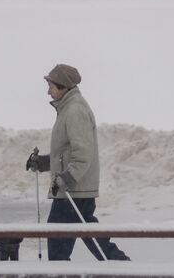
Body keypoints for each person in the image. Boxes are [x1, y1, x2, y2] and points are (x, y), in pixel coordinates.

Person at [24, 63, 130, 261]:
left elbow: (83, 153)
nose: (48, 91)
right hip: (72, 189)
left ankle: (120, 266)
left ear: (63, 86)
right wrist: (44, 163)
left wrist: (69, 177)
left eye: (51, 86)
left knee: (58, 244)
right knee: (88, 236)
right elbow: (66, 153)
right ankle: (121, 266)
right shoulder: (68, 109)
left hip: (72, 191)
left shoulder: (74, 110)